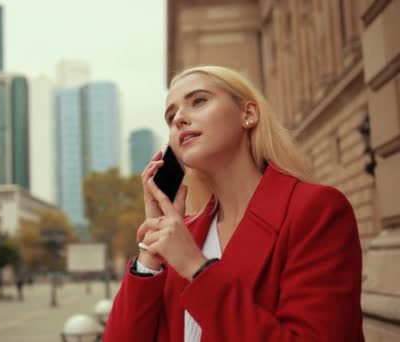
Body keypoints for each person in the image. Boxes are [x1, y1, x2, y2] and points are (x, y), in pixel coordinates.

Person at [103, 66, 364, 341]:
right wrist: (150, 253)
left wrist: (196, 267)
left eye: (199, 100)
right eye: (170, 116)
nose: (179, 118)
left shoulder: (315, 210)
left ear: (248, 114)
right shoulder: (180, 234)